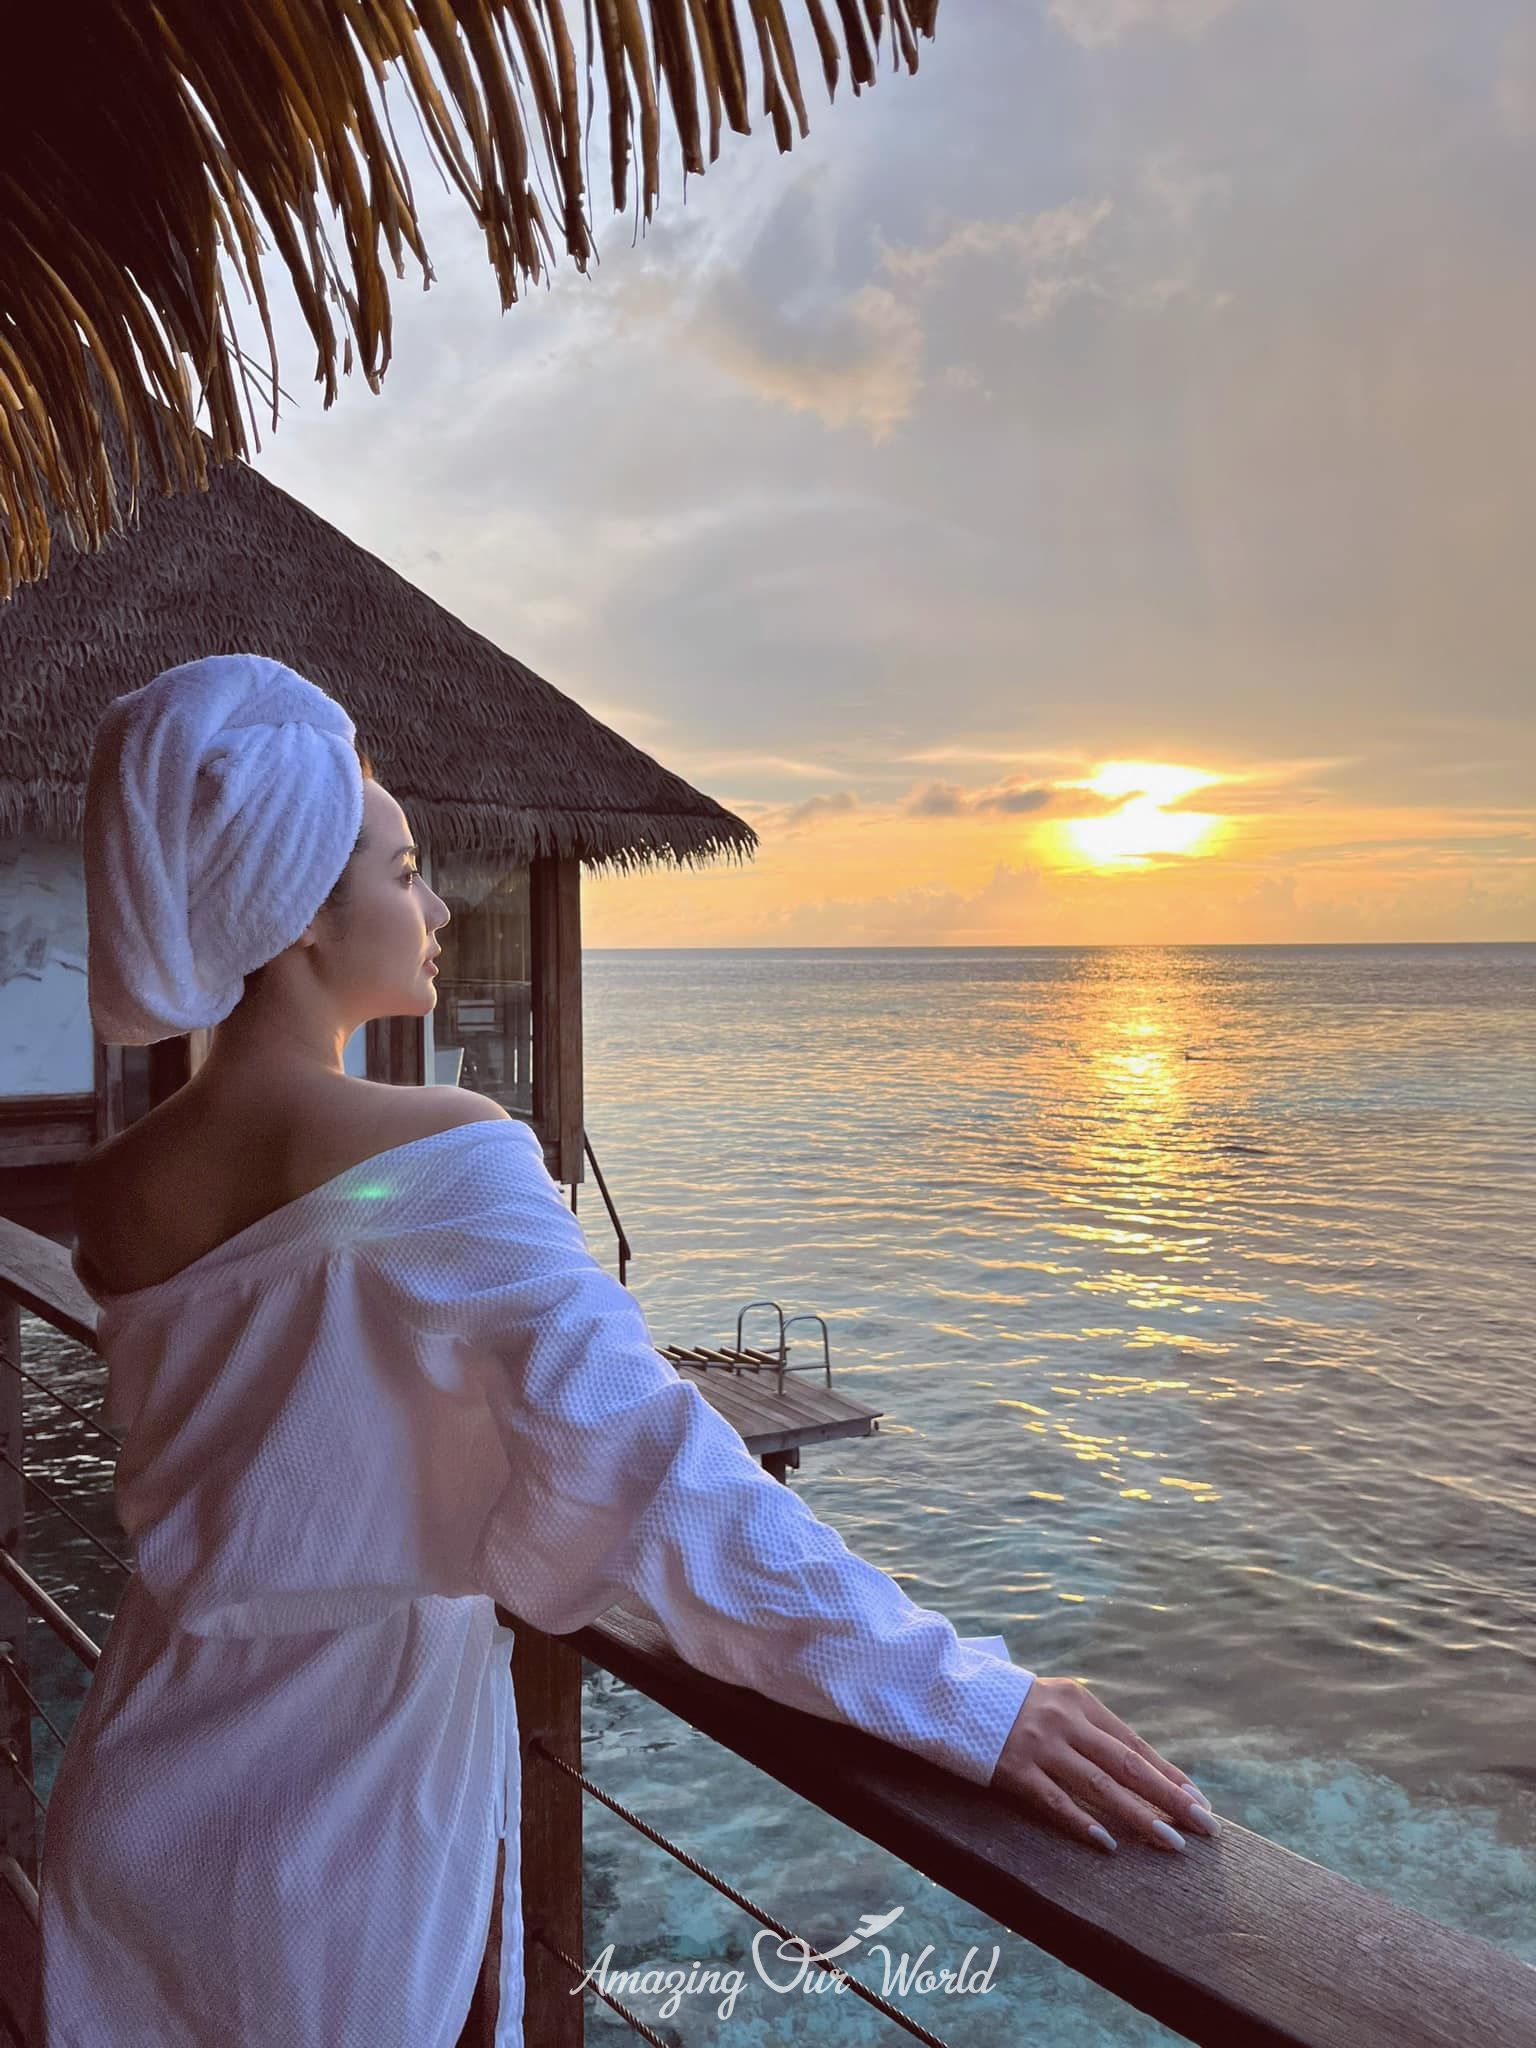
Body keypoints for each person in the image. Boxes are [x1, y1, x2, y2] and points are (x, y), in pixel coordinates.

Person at [36, 655, 1217, 2048]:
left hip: (146, 1786)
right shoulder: (444, 1157)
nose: (439, 908)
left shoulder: (118, 1188)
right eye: (405, 873)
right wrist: (970, 1700)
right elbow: (656, 1467)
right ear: (297, 911)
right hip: (329, 1836)